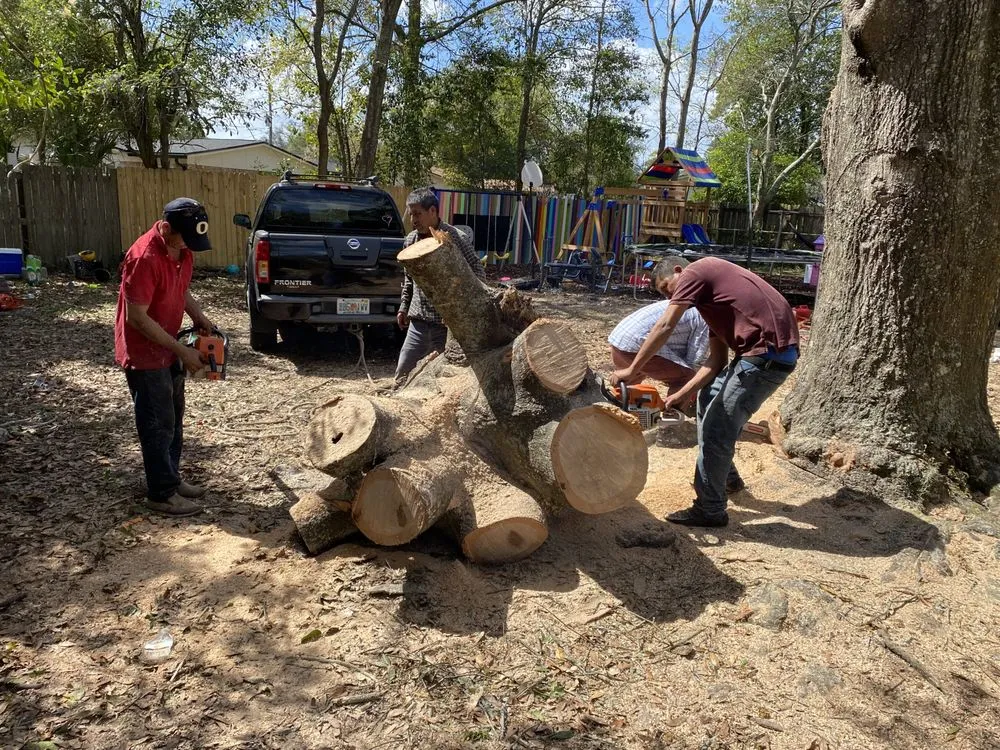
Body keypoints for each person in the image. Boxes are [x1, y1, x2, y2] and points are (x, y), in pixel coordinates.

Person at [611, 255, 799, 528]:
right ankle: (727, 479)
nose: (669, 297)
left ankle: (710, 509)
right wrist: (680, 395)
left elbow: (665, 326)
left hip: (767, 356)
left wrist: (631, 371)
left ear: (678, 271)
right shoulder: (712, 305)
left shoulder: (697, 271)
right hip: (756, 356)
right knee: (707, 397)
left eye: (666, 288)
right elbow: (716, 363)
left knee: (715, 430)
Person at [114, 198, 216, 517]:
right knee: (157, 424)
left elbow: (181, 289)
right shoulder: (143, 257)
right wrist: (181, 350)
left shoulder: (183, 250)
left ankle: (170, 477)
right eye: (185, 238)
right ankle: (161, 493)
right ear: (167, 228)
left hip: (169, 346)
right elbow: (137, 318)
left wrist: (199, 316)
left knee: (173, 416)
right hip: (145, 353)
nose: (189, 245)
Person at [395, 188, 485, 381]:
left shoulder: (455, 237)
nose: (413, 220)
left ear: (433, 211)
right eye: (411, 215)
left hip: (447, 326)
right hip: (418, 323)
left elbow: (478, 272)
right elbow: (409, 280)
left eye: (418, 214)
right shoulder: (410, 241)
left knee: (447, 378)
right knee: (403, 372)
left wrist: (465, 308)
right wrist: (403, 307)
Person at [608, 301, 709, 410]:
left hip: (618, 340)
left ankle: (618, 409)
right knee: (686, 378)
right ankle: (673, 416)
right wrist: (691, 389)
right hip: (634, 345)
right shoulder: (707, 316)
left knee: (626, 391)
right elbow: (695, 360)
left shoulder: (686, 301)